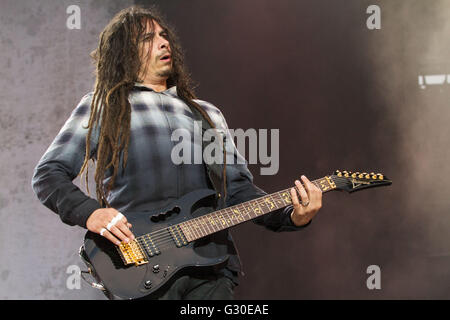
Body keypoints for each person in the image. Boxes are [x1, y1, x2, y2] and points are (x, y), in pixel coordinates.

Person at [31, 6, 322, 300]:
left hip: (210, 266)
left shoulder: (206, 114)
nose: (163, 42)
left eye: (164, 35)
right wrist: (91, 212)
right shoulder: (104, 106)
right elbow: (48, 174)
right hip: (140, 265)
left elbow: (238, 190)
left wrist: (291, 215)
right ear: (124, 53)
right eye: (148, 38)